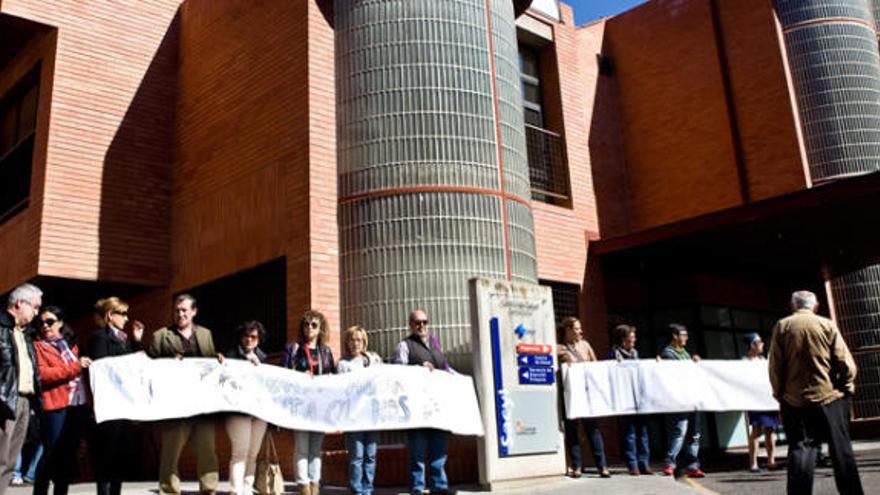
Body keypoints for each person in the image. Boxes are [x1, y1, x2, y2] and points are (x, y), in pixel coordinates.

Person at [769, 290, 863, 495]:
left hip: (795, 400)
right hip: (829, 397)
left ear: (794, 305)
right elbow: (845, 362)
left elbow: (775, 366)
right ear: (815, 305)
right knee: (841, 451)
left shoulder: (783, 326)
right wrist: (847, 384)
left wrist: (779, 393)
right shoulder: (826, 324)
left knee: (801, 449)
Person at [146, 294, 221, 495]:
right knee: (171, 451)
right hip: (175, 404)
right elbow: (149, 367)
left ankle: (209, 488)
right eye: (177, 310)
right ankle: (169, 490)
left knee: (207, 450)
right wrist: (168, 361)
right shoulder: (161, 335)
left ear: (194, 311)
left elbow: (211, 363)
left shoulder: (206, 334)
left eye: (184, 310)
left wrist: (218, 358)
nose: (180, 314)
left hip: (202, 403)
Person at [394, 310, 455, 495]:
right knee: (417, 450)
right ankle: (417, 488)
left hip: (436, 406)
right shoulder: (404, 345)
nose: (421, 326)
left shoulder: (436, 344)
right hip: (416, 407)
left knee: (439, 447)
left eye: (424, 322)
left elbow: (445, 368)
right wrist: (417, 369)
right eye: (417, 322)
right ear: (410, 325)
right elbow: (399, 372)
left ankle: (439, 486)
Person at [32, 306, 91, 495]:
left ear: (60, 323)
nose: (45, 326)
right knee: (51, 454)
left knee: (68, 455)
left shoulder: (71, 346)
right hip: (55, 406)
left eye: (49, 321)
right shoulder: (38, 346)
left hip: (77, 405)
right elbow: (43, 375)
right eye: (41, 322)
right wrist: (75, 368)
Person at [88, 297, 144, 495]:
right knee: (107, 453)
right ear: (110, 315)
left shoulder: (124, 338)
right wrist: (129, 359)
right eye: (123, 314)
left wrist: (137, 340)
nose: (127, 319)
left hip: (124, 403)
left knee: (121, 454)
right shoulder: (99, 337)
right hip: (109, 403)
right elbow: (103, 367)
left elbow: (136, 365)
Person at [282, 310, 336, 495]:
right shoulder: (293, 349)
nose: (309, 328)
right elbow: (283, 376)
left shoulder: (326, 352)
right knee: (301, 448)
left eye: (314, 325)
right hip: (300, 407)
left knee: (315, 449)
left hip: (319, 407)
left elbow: (333, 378)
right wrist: (299, 377)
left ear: (321, 329)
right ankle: (303, 487)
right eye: (306, 324)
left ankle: (315, 486)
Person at [0, 283, 42, 495]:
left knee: (10, 460)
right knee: (0, 456)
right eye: (35, 307)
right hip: (5, 399)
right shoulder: (1, 327)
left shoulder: (25, 334)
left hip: (24, 401)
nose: (37, 313)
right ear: (19, 303)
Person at [557, 316, 611, 479]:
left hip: (587, 395)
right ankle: (577, 466)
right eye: (577, 328)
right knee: (572, 431)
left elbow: (595, 366)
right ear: (568, 330)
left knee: (593, 430)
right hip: (570, 396)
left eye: (580, 328)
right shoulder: (559, 348)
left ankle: (602, 466)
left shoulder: (585, 345)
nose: (581, 331)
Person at [224, 321, 269, 495]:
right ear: (241, 337)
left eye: (254, 337)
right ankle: (236, 490)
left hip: (259, 412)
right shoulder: (231, 355)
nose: (249, 340)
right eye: (246, 336)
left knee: (253, 453)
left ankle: (247, 488)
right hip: (238, 411)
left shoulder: (264, 358)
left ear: (259, 339)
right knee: (240, 451)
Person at [337, 326, 382, 495]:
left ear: (364, 342)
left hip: (372, 416)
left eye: (359, 340)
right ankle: (357, 490)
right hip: (354, 416)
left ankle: (368, 489)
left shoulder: (374, 359)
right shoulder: (343, 364)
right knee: (356, 457)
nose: (356, 343)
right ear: (347, 343)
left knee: (370, 455)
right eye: (352, 340)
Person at [659, 323, 705, 478]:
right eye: (683, 335)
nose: (686, 338)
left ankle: (692, 466)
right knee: (680, 432)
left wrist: (695, 362)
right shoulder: (668, 354)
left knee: (695, 435)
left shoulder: (685, 353)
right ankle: (670, 464)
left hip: (693, 398)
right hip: (681, 400)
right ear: (675, 336)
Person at [609, 324, 651, 476]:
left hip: (639, 398)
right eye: (631, 337)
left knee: (643, 432)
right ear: (623, 339)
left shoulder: (635, 353)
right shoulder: (614, 354)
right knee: (630, 433)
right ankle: (632, 465)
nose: (634, 340)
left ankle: (644, 463)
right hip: (625, 399)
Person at [741, 332, 778, 473]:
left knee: (770, 429)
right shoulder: (744, 363)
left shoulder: (765, 360)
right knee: (756, 430)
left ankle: (771, 460)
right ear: (752, 345)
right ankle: (753, 463)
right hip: (754, 399)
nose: (762, 344)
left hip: (768, 399)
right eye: (759, 342)